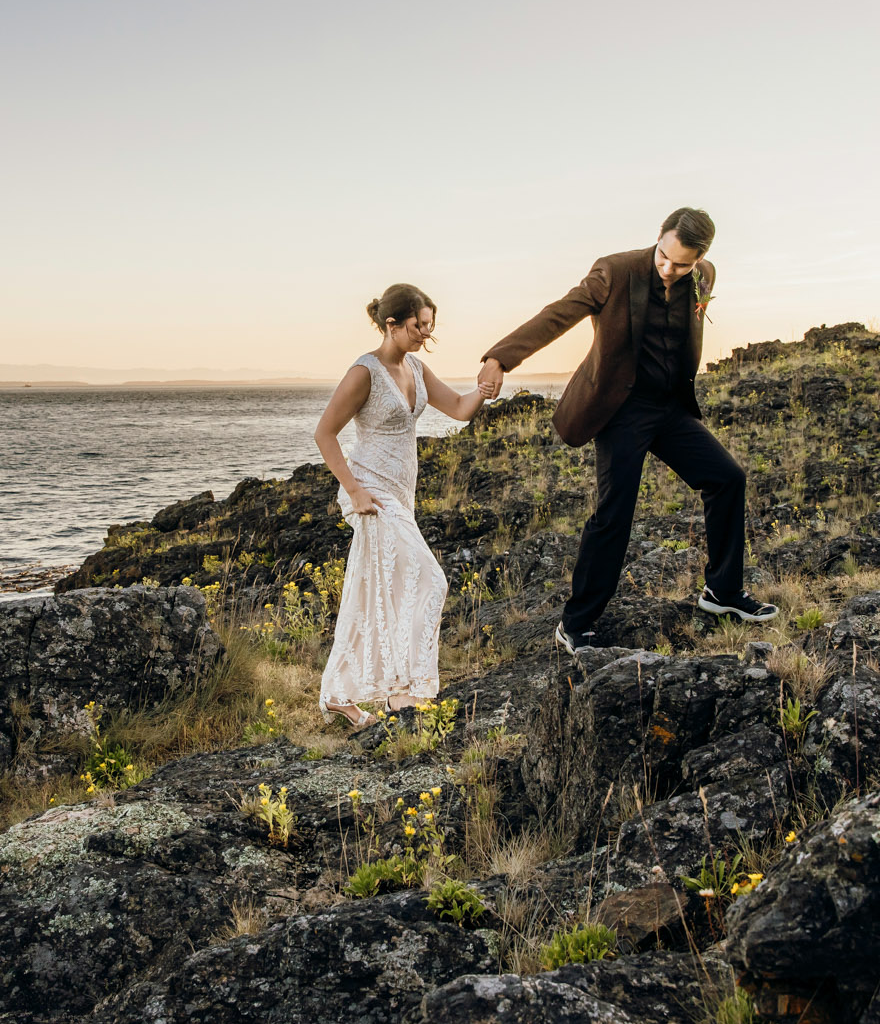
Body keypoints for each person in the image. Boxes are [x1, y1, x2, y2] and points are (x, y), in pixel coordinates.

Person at [476, 207, 777, 653]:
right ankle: (576, 624)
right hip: (621, 410)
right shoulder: (614, 272)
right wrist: (500, 358)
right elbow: (558, 314)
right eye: (665, 258)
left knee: (727, 479)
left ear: (699, 260)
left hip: (671, 409)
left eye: (682, 264)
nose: (670, 269)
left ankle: (722, 593)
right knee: (615, 513)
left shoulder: (704, 276)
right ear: (659, 238)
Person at [313, 283, 492, 729]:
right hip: (372, 489)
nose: (424, 335)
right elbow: (324, 434)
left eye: (430, 327)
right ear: (391, 324)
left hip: (401, 493)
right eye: (417, 326)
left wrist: (485, 388)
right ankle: (402, 692)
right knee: (430, 579)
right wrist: (353, 490)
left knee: (370, 590)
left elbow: (458, 408)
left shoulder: (416, 366)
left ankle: (339, 695)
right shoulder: (364, 373)